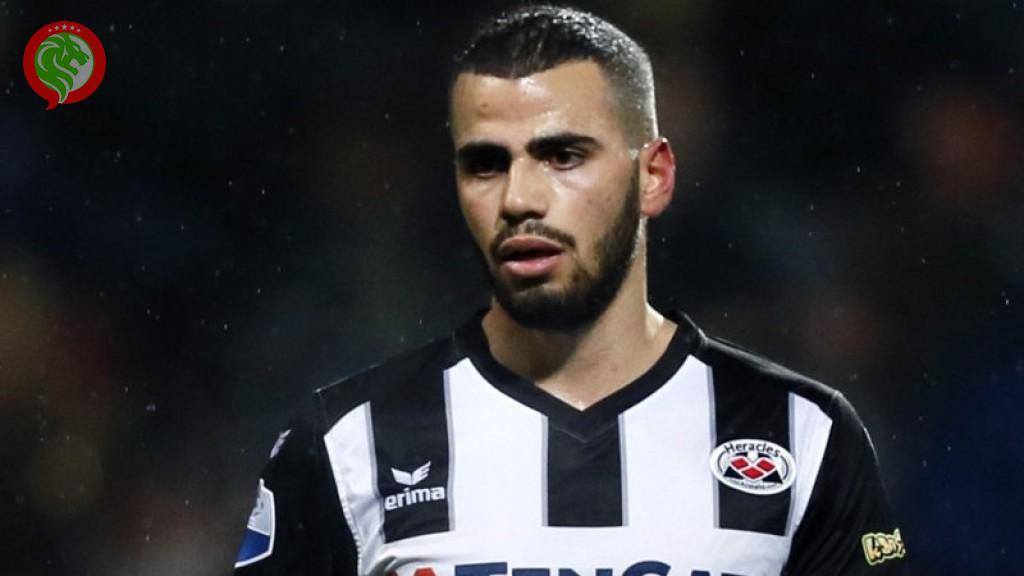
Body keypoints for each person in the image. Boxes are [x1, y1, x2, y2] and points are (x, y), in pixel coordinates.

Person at [232, 5, 907, 575]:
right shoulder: (346, 443)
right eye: (486, 164)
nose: (519, 198)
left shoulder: (805, 436)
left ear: (654, 176)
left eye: (563, 156)